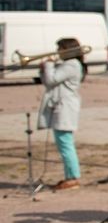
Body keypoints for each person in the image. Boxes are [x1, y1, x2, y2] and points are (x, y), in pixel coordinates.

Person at [38, 37, 87, 191]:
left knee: (65, 144)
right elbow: (48, 81)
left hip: (65, 107)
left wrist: (49, 64)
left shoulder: (72, 64)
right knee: (63, 143)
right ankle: (69, 176)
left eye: (60, 48)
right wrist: (44, 69)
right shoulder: (68, 64)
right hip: (62, 106)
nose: (57, 52)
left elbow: (52, 79)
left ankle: (73, 177)